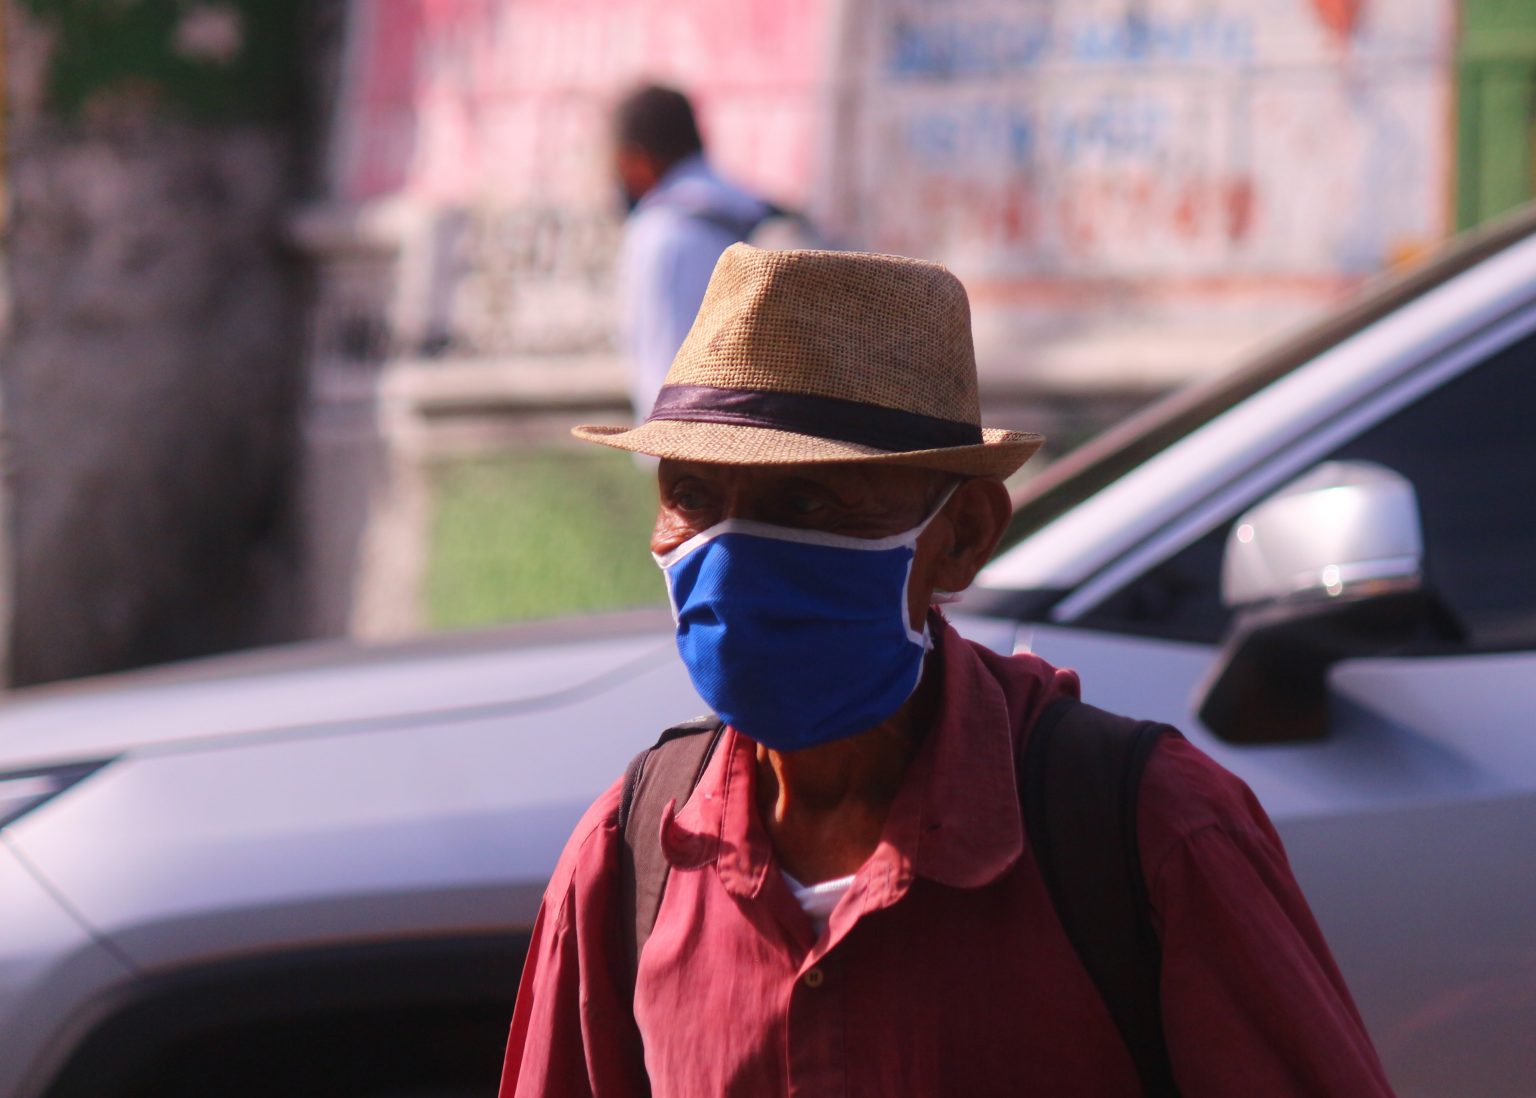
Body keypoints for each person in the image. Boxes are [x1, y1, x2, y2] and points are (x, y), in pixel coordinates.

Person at [500, 245, 1395, 1096]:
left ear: (961, 538)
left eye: (806, 500)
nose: (731, 559)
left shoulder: (1147, 833)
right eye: (691, 496)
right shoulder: (627, 856)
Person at [612, 84, 774, 420]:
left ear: (635, 161)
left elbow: (666, 382)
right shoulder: (756, 210)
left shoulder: (660, 234)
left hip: (705, 438)